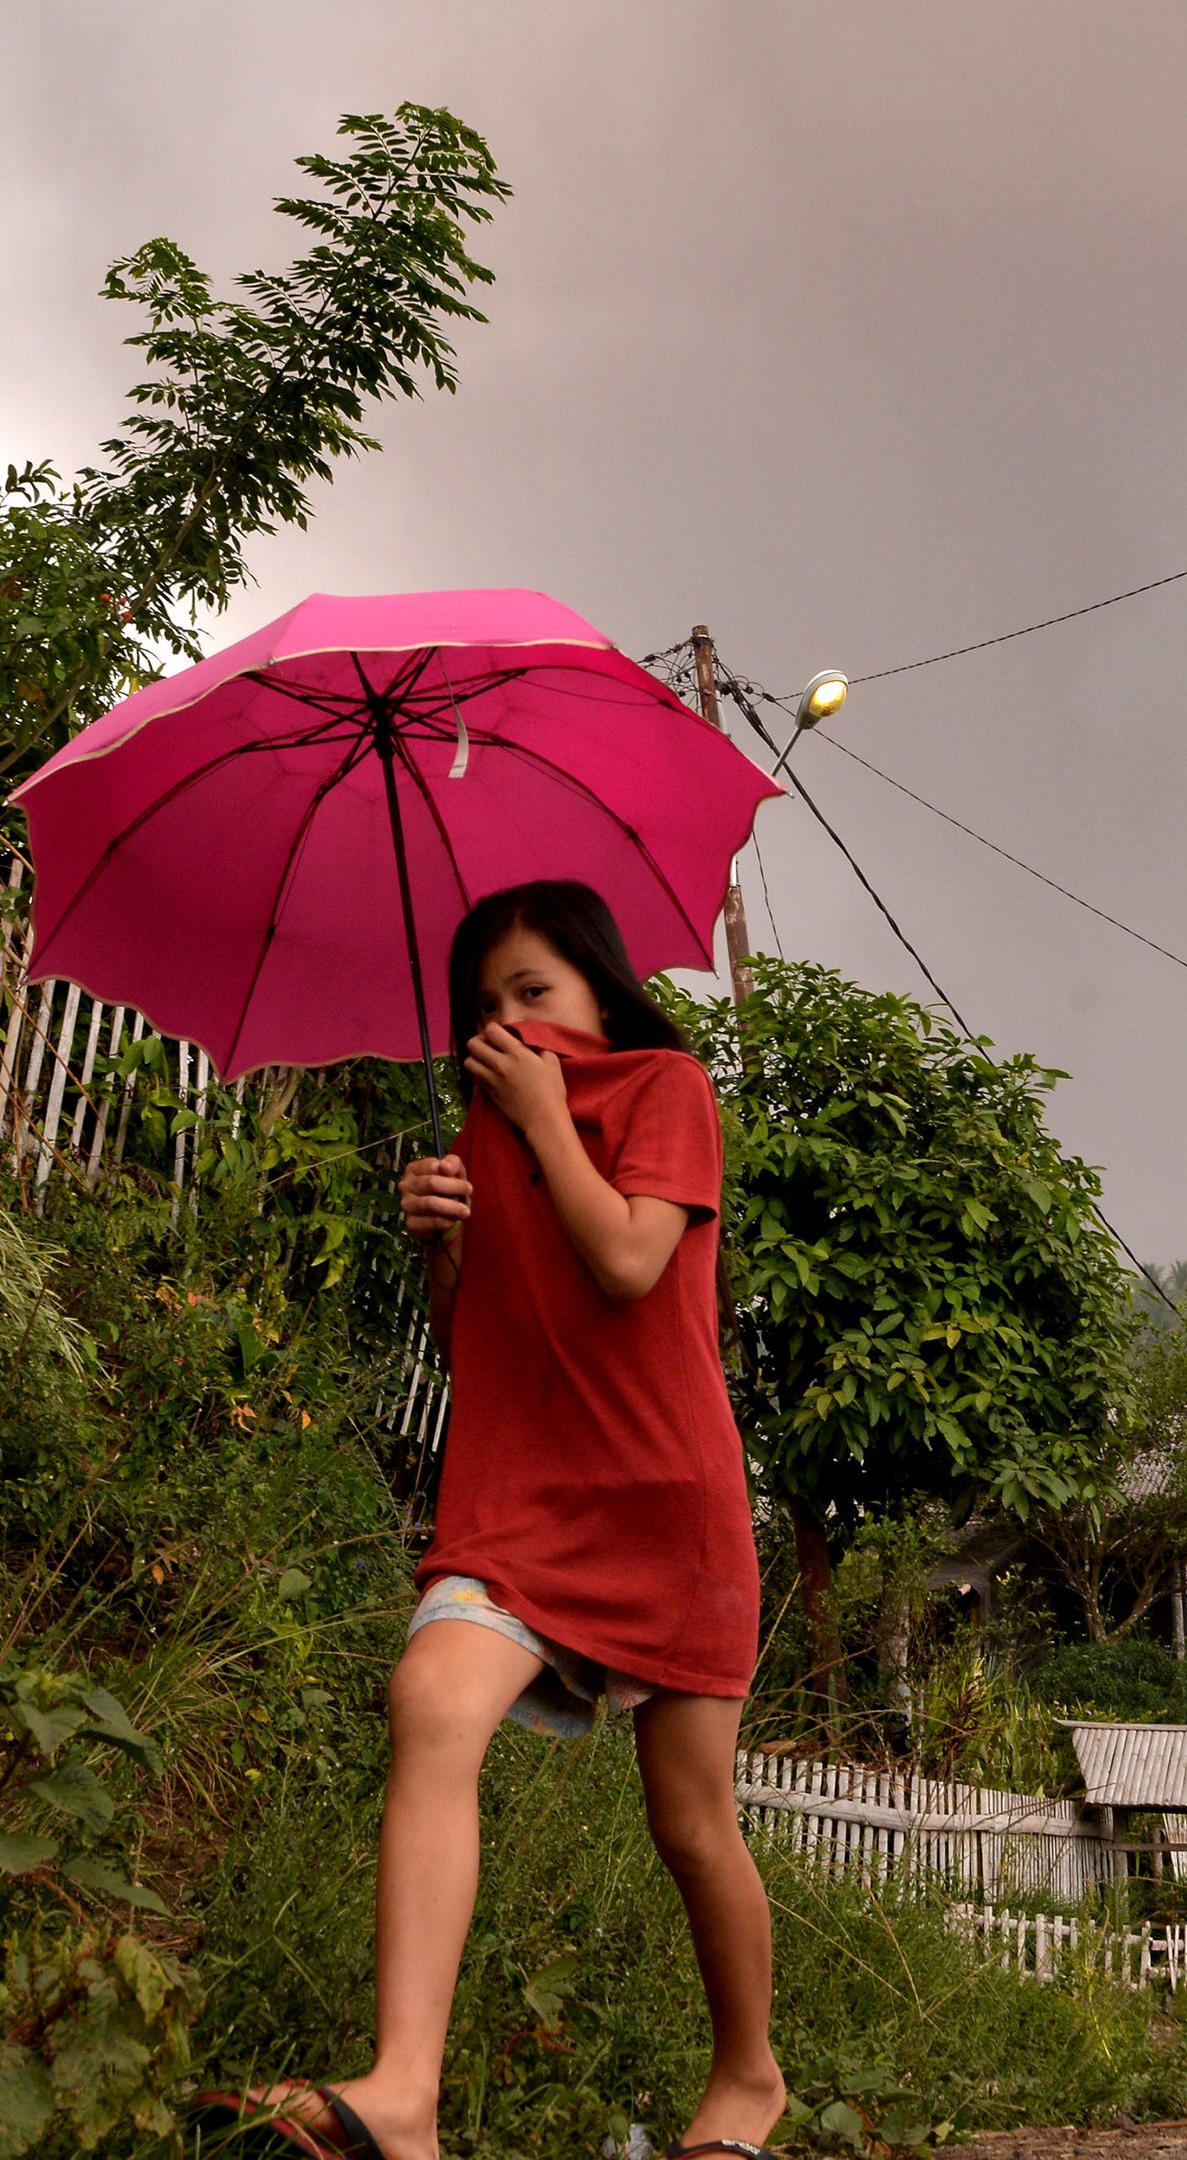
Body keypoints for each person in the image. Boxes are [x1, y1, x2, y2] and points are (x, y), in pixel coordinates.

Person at [217, 881, 783, 2160]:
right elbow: (487, 1352)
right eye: (485, 1005)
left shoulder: (661, 1090)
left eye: (534, 991)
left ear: (597, 987)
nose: (510, 1020)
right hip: (521, 1503)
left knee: (690, 1827)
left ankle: (749, 2079)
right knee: (429, 1696)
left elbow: (632, 1262)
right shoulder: (478, 1127)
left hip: (665, 1507)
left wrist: (543, 1127)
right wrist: (439, 1245)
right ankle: (400, 2094)